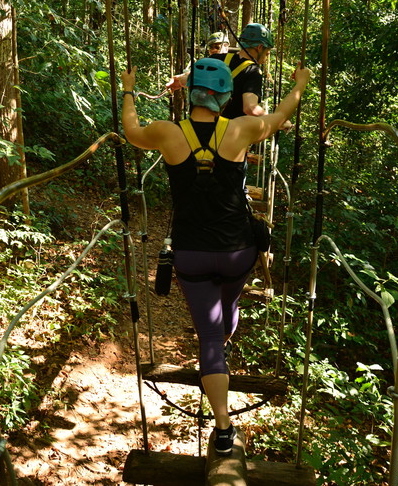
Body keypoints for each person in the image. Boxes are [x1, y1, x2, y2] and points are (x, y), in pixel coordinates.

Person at [122, 57, 311, 456]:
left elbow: (131, 130)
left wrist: (128, 89)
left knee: (209, 336)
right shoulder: (241, 129)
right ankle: (225, 330)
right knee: (229, 305)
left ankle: (223, 427)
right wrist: (301, 84)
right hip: (237, 252)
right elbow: (279, 116)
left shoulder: (168, 133)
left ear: (191, 95)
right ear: (225, 96)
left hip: (190, 253)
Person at [167, 22, 275, 120]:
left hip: (201, 129)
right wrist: (277, 119)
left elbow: (196, 78)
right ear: (260, 47)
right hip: (228, 135)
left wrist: (179, 80)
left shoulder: (216, 59)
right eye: (267, 51)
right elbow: (250, 108)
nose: (267, 55)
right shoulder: (253, 72)